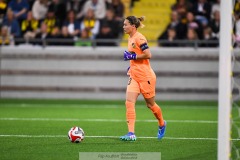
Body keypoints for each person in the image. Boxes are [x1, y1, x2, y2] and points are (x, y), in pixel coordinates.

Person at [120, 16, 166, 141]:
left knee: (150, 105)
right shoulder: (130, 38)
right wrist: (131, 67)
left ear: (133, 26)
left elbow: (148, 54)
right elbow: (134, 58)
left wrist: (132, 56)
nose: (123, 27)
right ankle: (131, 133)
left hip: (146, 77)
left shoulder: (139, 38)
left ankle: (162, 123)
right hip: (134, 76)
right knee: (129, 102)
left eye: (125, 25)